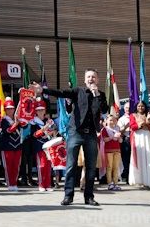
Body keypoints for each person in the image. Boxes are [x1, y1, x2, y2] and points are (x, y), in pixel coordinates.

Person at [33, 68, 108, 206]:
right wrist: (43, 90)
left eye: (93, 77)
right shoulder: (77, 91)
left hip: (91, 134)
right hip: (75, 132)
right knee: (71, 166)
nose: (91, 79)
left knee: (91, 167)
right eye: (89, 77)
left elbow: (103, 110)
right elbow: (61, 93)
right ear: (85, 80)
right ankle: (68, 196)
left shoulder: (100, 95)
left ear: (97, 80)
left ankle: (89, 197)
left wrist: (96, 94)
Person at [128, 101, 150, 188]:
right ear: (136, 107)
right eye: (139, 106)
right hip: (138, 138)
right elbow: (132, 126)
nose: (141, 108)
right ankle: (139, 180)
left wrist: (148, 121)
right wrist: (141, 124)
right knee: (139, 157)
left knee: (149, 156)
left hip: (147, 137)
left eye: (142, 106)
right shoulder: (133, 115)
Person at [29, 99, 55, 192]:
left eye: (42, 110)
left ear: (44, 111)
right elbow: (34, 134)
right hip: (39, 146)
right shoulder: (33, 122)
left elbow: (54, 131)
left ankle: (48, 185)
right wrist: (43, 130)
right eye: (38, 110)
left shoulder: (48, 121)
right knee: (41, 166)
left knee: (48, 166)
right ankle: (41, 185)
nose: (40, 112)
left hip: (48, 146)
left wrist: (50, 132)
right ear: (36, 111)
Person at [0, 97, 22, 192]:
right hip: (7, 146)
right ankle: (10, 184)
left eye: (12, 108)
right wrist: (15, 124)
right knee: (8, 167)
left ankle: (14, 183)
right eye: (8, 108)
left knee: (16, 166)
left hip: (18, 146)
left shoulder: (18, 119)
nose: (10, 110)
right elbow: (7, 130)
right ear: (5, 109)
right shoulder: (3, 120)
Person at [101, 115, 123, 190]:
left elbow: (120, 141)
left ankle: (116, 183)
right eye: (110, 120)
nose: (112, 122)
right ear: (107, 121)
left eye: (113, 120)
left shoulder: (117, 129)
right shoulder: (105, 129)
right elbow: (105, 140)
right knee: (109, 167)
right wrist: (112, 137)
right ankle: (110, 183)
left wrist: (119, 137)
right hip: (108, 151)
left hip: (117, 150)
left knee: (116, 167)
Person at [117, 102, 131, 184]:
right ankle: (126, 176)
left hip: (135, 139)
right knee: (126, 158)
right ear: (124, 109)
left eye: (129, 107)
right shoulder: (121, 119)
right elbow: (119, 131)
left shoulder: (134, 116)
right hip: (126, 139)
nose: (128, 109)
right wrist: (126, 126)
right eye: (126, 108)